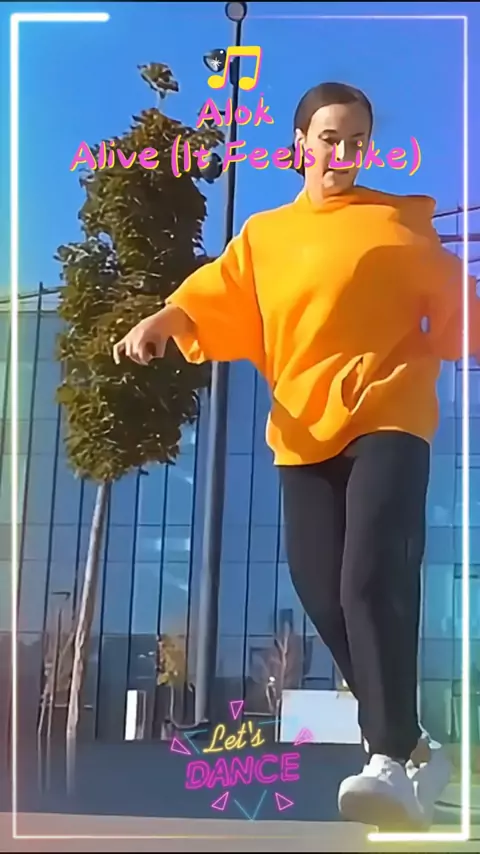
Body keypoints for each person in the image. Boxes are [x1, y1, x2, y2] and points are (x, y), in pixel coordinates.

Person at [113, 82, 478, 830]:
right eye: (330, 138)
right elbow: (214, 292)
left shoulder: (396, 224)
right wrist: (164, 318)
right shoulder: (266, 235)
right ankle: (415, 745)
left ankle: (386, 760)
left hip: (388, 413)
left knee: (369, 578)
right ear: (301, 144)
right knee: (321, 591)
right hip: (302, 430)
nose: (343, 153)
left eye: (356, 141)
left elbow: (457, 302)